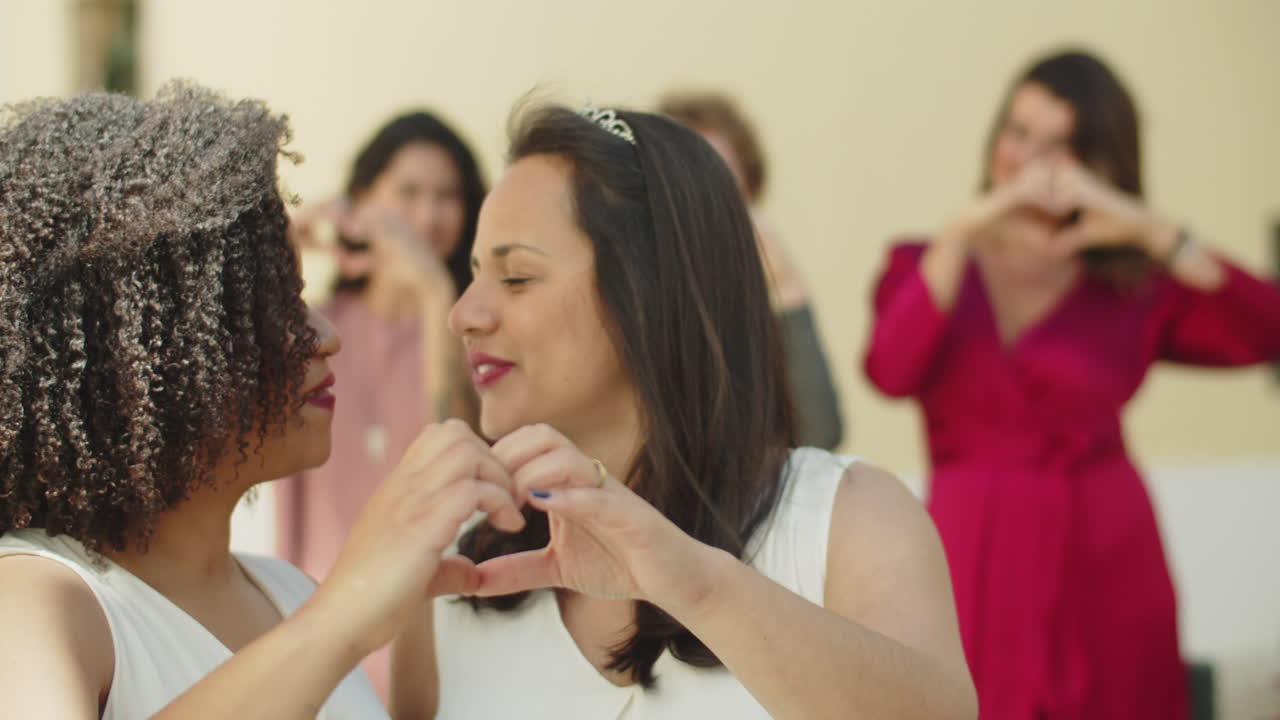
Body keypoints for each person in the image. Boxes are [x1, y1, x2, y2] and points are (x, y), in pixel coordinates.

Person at [389, 104, 976, 720]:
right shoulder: (453, 572)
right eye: (476, 273)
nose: (464, 315)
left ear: (648, 296)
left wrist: (692, 582)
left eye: (516, 278)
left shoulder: (848, 519)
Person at [0, 83, 524, 718]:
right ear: (148, 352)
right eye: (274, 302)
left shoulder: (290, 594)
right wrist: (343, 612)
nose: (325, 336)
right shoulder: (35, 600)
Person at [863, 49, 1280, 720]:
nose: (1029, 159)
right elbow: (890, 369)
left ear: (1101, 163)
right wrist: (962, 230)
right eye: (1019, 131)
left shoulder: (1131, 285)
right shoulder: (926, 261)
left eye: (1061, 146)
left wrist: (1152, 230)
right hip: (977, 556)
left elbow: (1267, 329)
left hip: (1107, 555)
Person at [274, 111, 486, 699]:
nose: (428, 214)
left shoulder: (473, 335)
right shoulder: (319, 333)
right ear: (363, 199)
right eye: (409, 192)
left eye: (448, 196)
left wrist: (434, 291)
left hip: (430, 634)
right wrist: (284, 242)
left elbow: (458, 449)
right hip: (317, 628)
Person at [659, 91, 844, 449]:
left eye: (724, 188)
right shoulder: (635, 297)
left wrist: (787, 291)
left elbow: (818, 435)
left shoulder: (753, 311)